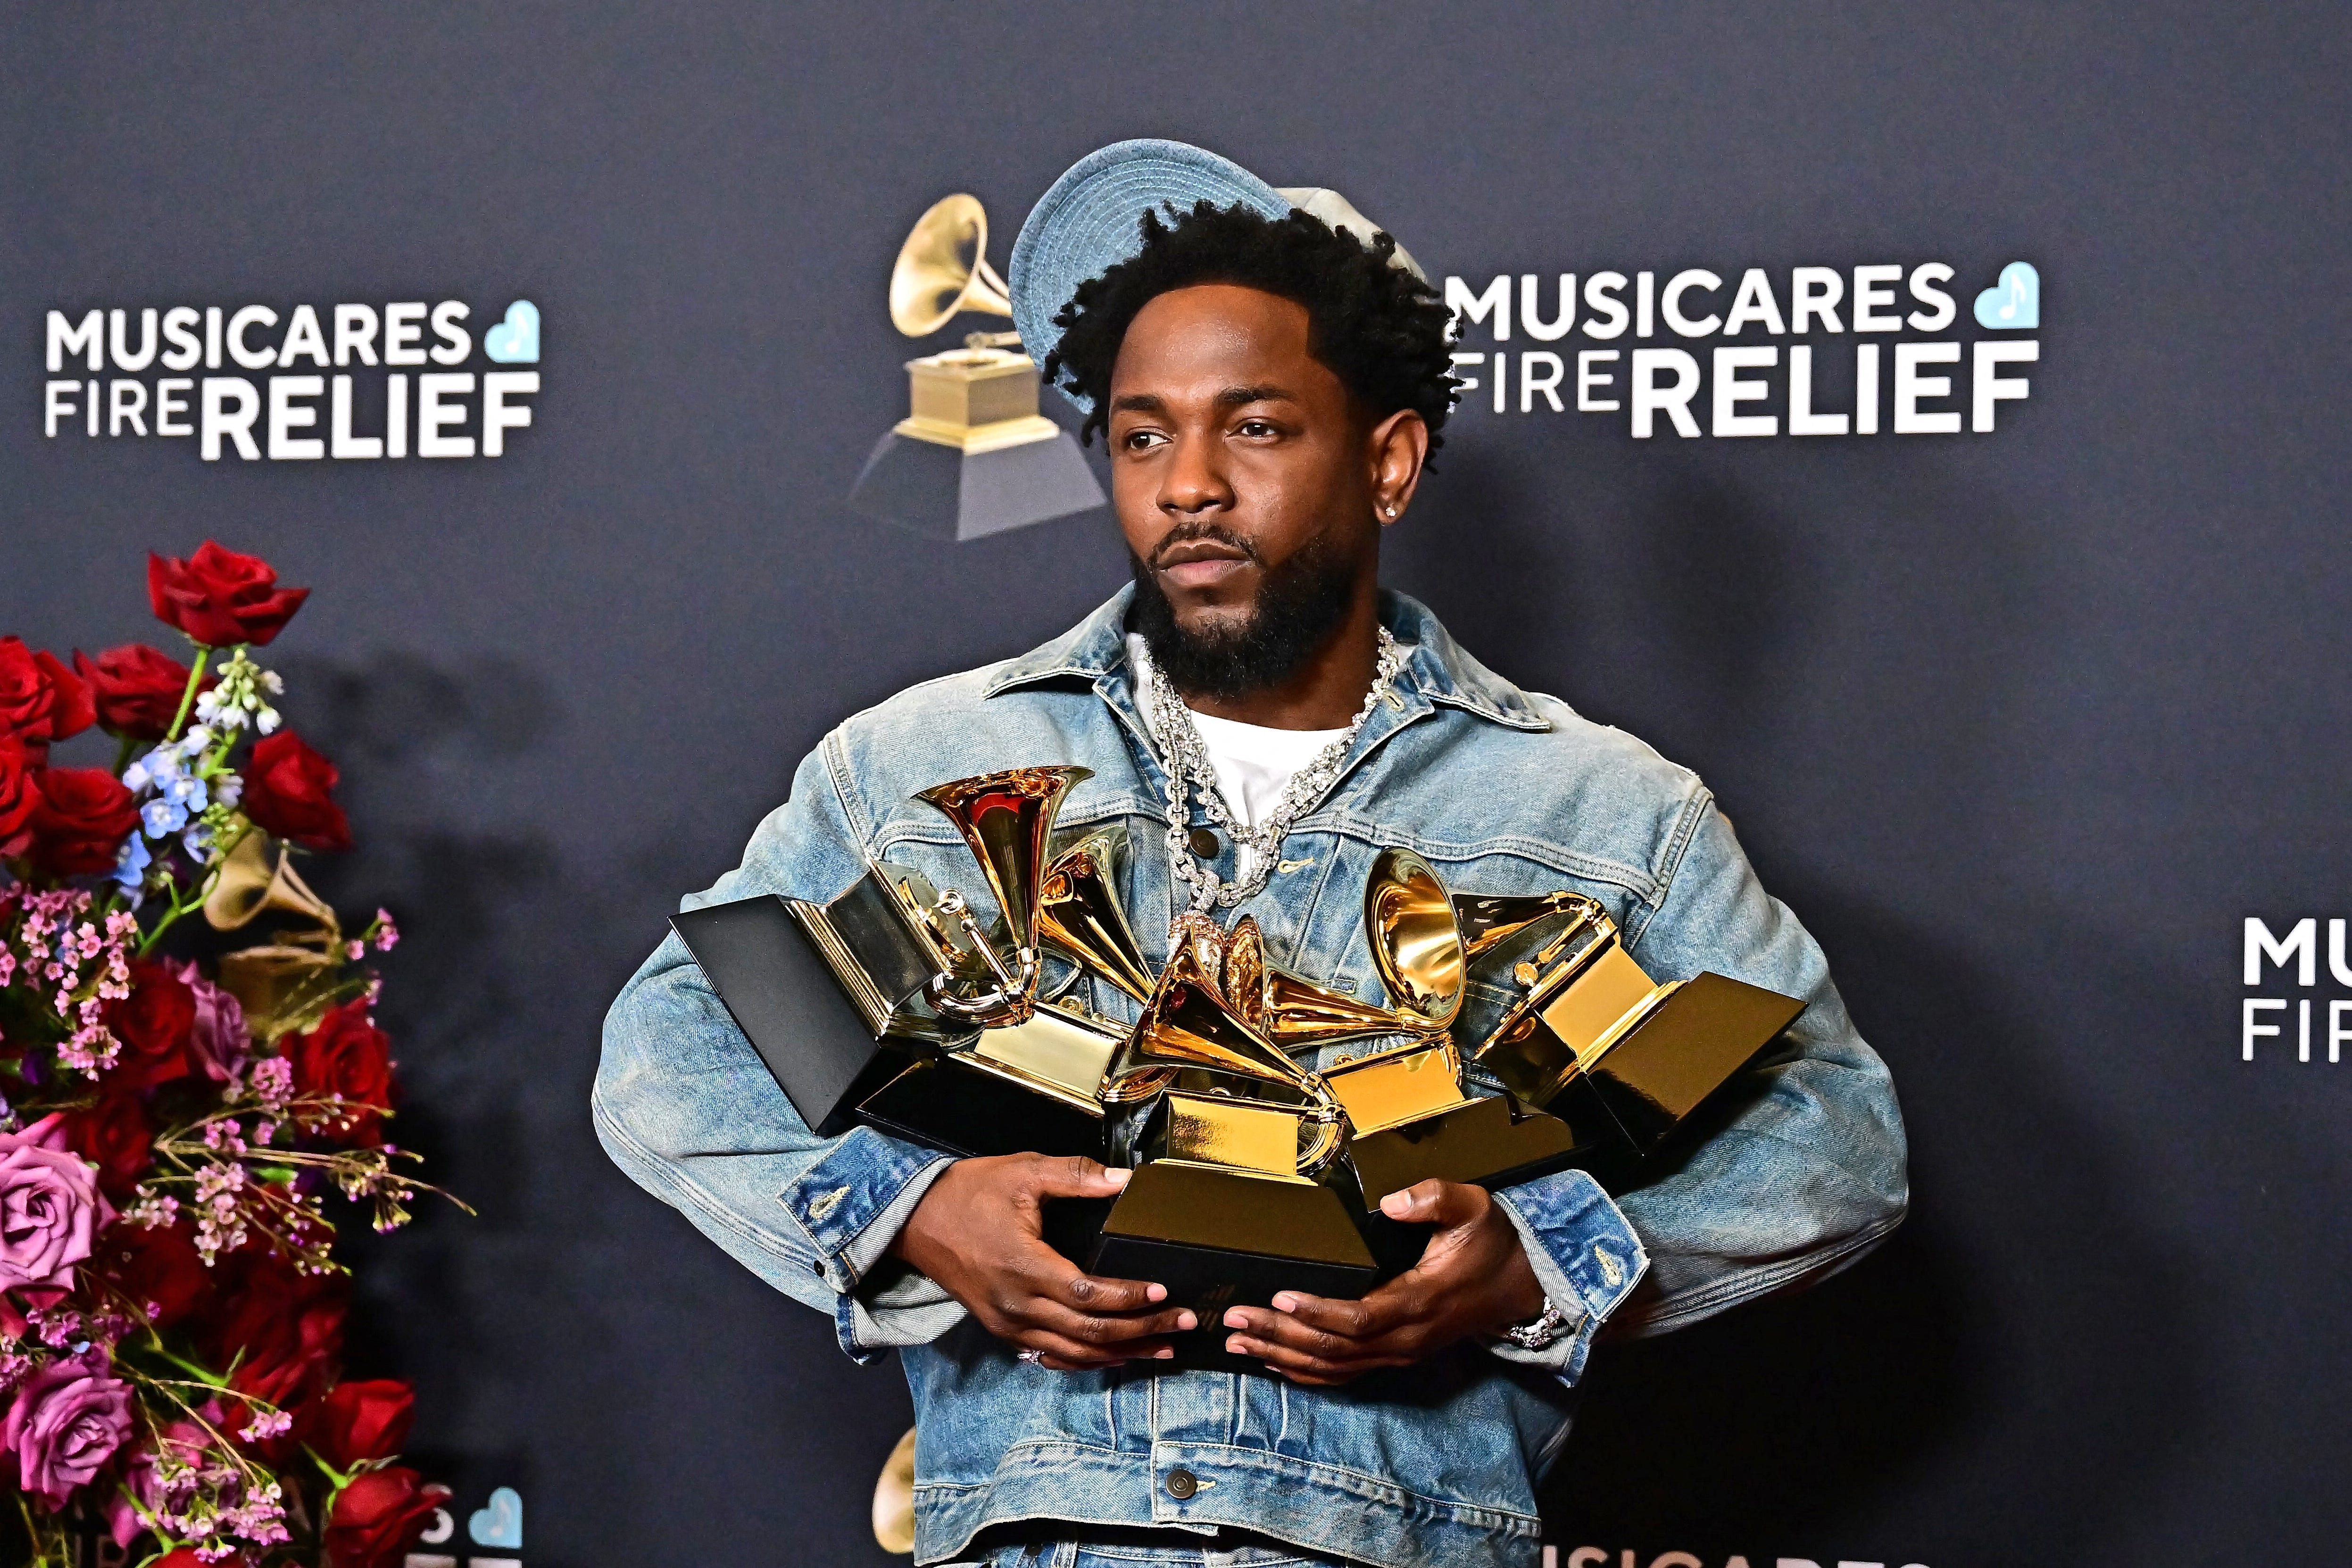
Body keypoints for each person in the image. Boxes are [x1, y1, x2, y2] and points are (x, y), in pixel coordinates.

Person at [594, 139, 1907, 1568]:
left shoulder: (1605, 808)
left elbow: (1830, 1142)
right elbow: (671, 1044)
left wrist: (1533, 1264)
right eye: (1143, 435)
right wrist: (908, 1212)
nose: (1189, 487)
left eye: (1257, 428)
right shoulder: (920, 762)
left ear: (1388, 462)